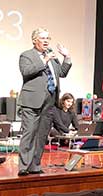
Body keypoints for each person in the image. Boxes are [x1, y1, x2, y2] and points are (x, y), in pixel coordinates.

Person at [18, 27, 72, 176]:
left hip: (49, 101)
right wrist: (44, 61)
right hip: (32, 101)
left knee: (42, 135)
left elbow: (62, 73)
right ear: (35, 40)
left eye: (48, 38)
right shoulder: (26, 55)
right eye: (43, 38)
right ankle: (24, 167)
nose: (46, 41)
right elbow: (26, 72)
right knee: (29, 134)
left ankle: (35, 166)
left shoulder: (52, 57)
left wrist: (66, 58)